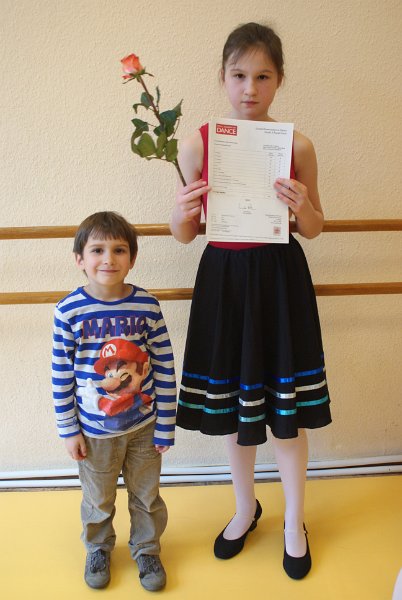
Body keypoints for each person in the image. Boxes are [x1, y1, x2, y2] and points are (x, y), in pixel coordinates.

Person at [170, 22, 331, 579]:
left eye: (263, 76)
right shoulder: (196, 143)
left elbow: (315, 227)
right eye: (239, 75)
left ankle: (294, 522)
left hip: (280, 279)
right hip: (225, 280)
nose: (250, 88)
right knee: (234, 409)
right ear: (222, 77)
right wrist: (182, 210)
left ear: (279, 80)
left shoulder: (298, 145)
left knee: (286, 414)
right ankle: (245, 508)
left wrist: (303, 206)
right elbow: (183, 234)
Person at [52, 211, 176, 591]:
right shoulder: (68, 311)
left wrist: (166, 424)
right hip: (94, 434)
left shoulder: (146, 305)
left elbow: (165, 364)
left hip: (144, 428)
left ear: (132, 258)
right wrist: (69, 430)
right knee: (98, 500)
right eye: (97, 250)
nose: (108, 259)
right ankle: (98, 548)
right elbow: (61, 376)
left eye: (119, 250)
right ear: (79, 259)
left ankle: (147, 549)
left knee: (147, 497)